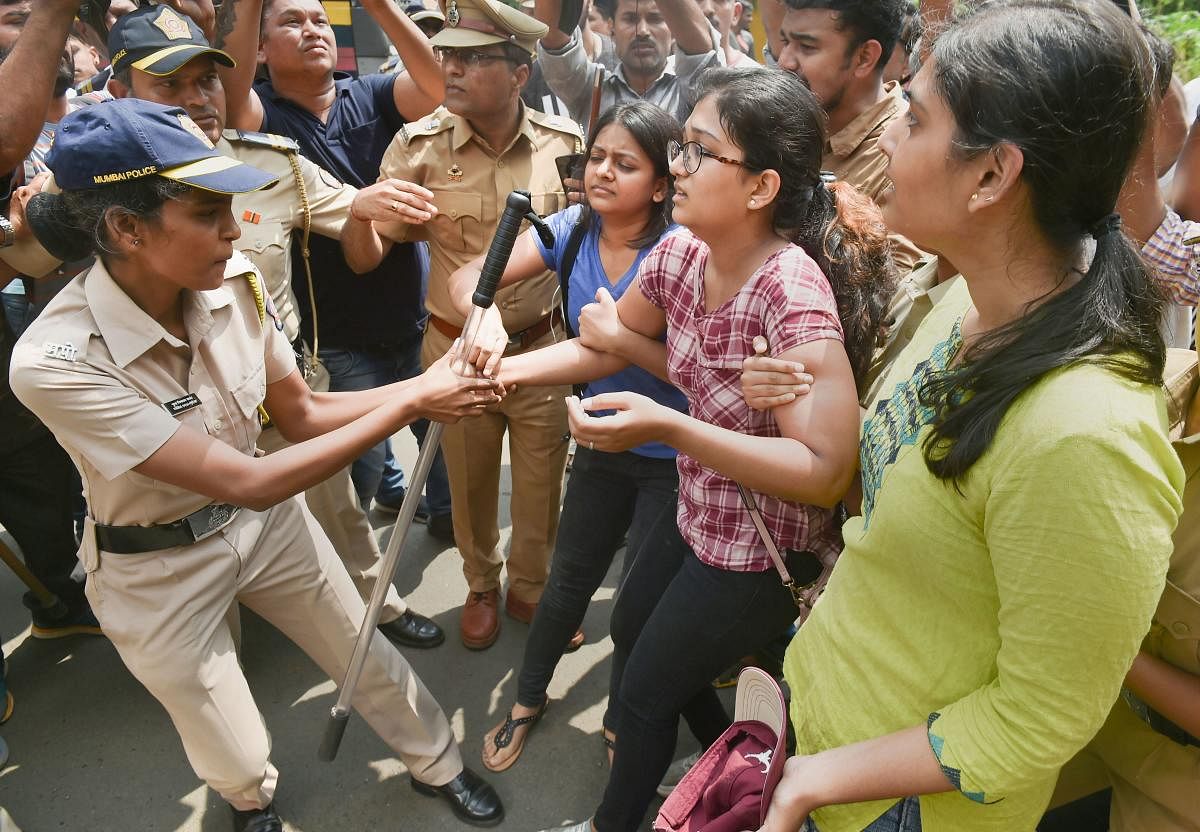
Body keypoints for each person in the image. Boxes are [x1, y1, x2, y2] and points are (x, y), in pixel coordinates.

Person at [10, 98, 505, 832]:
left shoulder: (233, 279)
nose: (232, 228)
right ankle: (249, 800)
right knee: (237, 758)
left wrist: (429, 386)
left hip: (267, 527)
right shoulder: (55, 362)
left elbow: (299, 414)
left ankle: (437, 760)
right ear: (126, 228)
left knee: (361, 648)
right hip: (156, 569)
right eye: (208, 212)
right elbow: (244, 475)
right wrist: (413, 405)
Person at [756, 3, 1184, 831]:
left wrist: (814, 783)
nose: (886, 137)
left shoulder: (1084, 435)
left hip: (888, 806)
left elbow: (1039, 718)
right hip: (824, 732)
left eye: (913, 119)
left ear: (992, 176)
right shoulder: (967, 302)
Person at [490, 65, 892, 832]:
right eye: (681, 148)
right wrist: (497, 374)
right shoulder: (681, 257)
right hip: (698, 517)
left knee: (640, 695)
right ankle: (742, 768)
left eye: (699, 153)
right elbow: (610, 343)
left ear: (760, 187)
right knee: (629, 633)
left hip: (758, 553)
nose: (677, 167)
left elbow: (824, 472)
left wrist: (668, 425)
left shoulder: (789, 292)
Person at [94, 2, 448, 649]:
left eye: (204, 81)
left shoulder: (269, 163)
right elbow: (30, 256)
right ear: (121, 93)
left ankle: (379, 609)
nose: (197, 100)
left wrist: (391, 206)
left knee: (340, 511)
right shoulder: (92, 184)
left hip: (274, 407)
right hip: (160, 429)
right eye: (168, 86)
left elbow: (355, 212)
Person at [441, 101, 687, 771]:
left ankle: (619, 718)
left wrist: (506, 373)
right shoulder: (573, 227)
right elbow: (469, 277)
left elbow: (603, 355)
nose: (602, 172)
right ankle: (526, 699)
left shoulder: (679, 250)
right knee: (563, 586)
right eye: (595, 158)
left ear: (663, 184)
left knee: (636, 604)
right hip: (601, 442)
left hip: (671, 457)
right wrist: (481, 317)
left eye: (625, 163)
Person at [341, 0, 585, 651]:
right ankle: (481, 584)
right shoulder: (417, 146)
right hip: (455, 354)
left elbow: (592, 242)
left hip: (543, 351)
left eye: (474, 59)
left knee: (540, 486)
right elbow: (365, 260)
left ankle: (530, 588)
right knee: (471, 487)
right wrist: (360, 214)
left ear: (519, 72)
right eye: (448, 55)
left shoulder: (567, 150)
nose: (451, 68)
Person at [218, 0, 454, 534]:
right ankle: (361, 560)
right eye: (291, 23)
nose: (311, 31)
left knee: (441, 443)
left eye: (319, 20)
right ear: (260, 48)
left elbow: (438, 90)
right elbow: (232, 99)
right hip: (340, 343)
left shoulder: (370, 91)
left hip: (415, 315)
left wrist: (380, 5)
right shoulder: (262, 117)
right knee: (357, 467)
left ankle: (446, 521)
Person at [763, 0, 923, 274]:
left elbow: (894, 299)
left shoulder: (907, 152)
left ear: (864, 57)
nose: (785, 62)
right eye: (785, 42)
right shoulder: (785, 126)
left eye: (807, 47)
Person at [533, 0, 723, 134]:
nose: (643, 31)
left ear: (673, 30)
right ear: (611, 28)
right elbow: (553, 38)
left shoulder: (693, 92)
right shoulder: (590, 90)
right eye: (630, 19)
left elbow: (702, 49)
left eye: (655, 18)